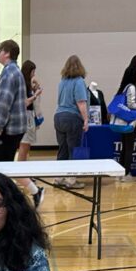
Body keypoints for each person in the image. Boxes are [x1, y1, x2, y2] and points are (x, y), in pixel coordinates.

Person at [53, 55, 89, 189]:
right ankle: (71, 180)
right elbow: (81, 102)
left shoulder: (62, 81)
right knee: (72, 149)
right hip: (72, 117)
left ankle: (58, 178)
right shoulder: (79, 81)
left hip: (58, 116)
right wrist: (85, 119)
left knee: (62, 149)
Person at [0, 39, 28, 162]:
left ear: (7, 53)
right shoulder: (17, 71)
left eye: (0, 51)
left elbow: (4, 103)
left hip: (9, 128)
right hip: (18, 127)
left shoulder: (9, 73)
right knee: (6, 162)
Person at [112, 58, 136, 181]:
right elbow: (131, 104)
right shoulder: (131, 87)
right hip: (130, 122)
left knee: (124, 148)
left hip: (124, 121)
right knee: (128, 149)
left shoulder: (125, 87)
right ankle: (126, 174)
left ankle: (121, 173)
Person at [16, 59, 45, 206]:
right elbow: (25, 102)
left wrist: (36, 88)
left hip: (30, 118)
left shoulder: (28, 83)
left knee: (27, 148)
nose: (34, 74)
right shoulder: (22, 84)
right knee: (24, 147)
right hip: (25, 119)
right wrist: (35, 95)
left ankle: (24, 175)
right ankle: (21, 175)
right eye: (33, 71)